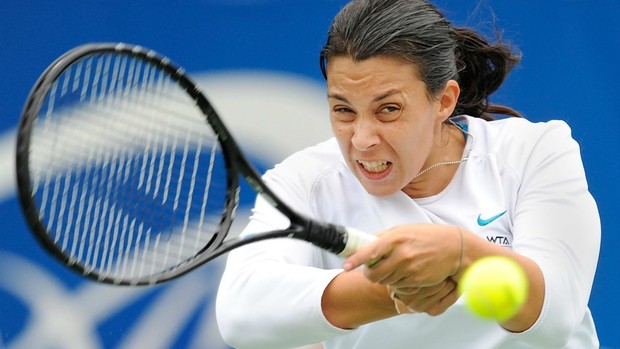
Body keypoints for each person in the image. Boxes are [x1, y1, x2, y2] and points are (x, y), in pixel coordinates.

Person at [215, 0, 601, 348]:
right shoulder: (302, 181)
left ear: (444, 101)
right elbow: (239, 312)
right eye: (343, 110)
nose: (362, 139)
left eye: (389, 110)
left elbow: (557, 315)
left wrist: (462, 253)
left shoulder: (535, 151)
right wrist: (392, 293)